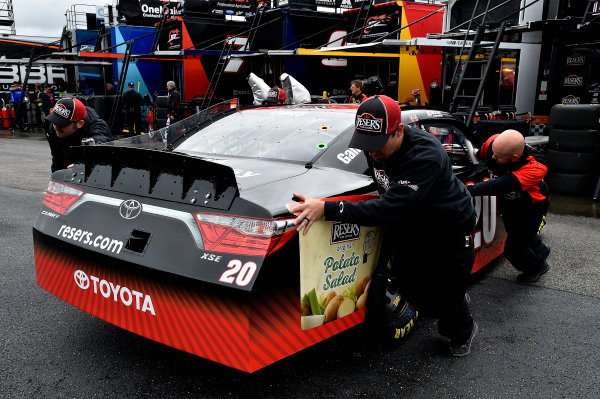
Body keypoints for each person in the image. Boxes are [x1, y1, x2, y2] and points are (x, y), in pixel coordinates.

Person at [291, 95, 478, 356]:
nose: (372, 151)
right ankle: (449, 303)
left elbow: (390, 207)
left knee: (448, 291)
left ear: (398, 131)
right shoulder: (375, 147)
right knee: (412, 285)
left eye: (377, 143)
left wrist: (326, 209)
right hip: (414, 222)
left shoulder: (426, 154)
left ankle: (463, 330)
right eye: (365, 143)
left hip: (449, 226)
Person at [467, 129, 550, 283]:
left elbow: (502, 184)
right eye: (493, 152)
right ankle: (541, 249)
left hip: (531, 208)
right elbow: (479, 152)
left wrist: (465, 190)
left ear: (514, 158)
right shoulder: (496, 143)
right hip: (510, 203)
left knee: (513, 248)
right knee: (516, 231)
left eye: (498, 157)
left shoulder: (536, 166)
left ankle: (537, 266)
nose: (492, 157)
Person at [45, 98, 112, 172]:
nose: (56, 127)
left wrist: (86, 161)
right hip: (71, 164)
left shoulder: (97, 127)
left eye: (62, 124)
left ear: (79, 124)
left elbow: (101, 143)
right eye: (54, 121)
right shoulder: (53, 129)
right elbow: (57, 158)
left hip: (97, 169)